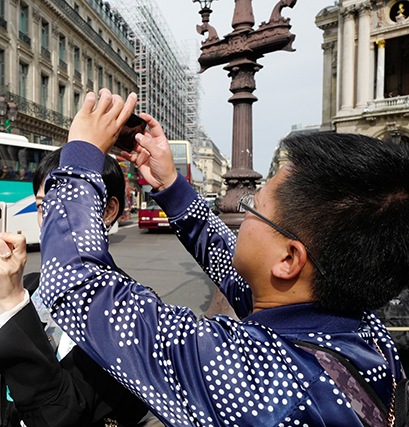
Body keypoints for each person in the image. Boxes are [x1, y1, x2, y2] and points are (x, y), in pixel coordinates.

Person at [32, 89, 409, 426]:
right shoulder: (358, 329)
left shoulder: (262, 384)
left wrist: (80, 155)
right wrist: (169, 185)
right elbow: (236, 267)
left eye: (254, 207)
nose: (242, 215)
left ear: (289, 259)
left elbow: (78, 284)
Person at [0, 149, 150, 427]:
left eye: (66, 205)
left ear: (108, 211)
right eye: (44, 206)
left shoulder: (134, 307)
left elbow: (62, 418)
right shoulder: (31, 286)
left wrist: (12, 304)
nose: (50, 220)